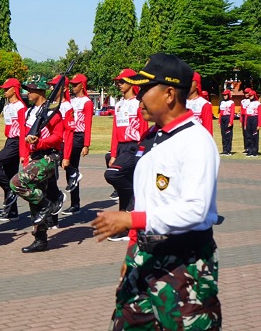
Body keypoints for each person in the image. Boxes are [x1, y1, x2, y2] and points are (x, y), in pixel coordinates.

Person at [91, 52, 221, 331]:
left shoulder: (196, 142)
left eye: (146, 89)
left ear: (170, 94)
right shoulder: (151, 138)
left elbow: (196, 209)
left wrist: (129, 220)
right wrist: (131, 253)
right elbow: (144, 201)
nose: (139, 97)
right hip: (145, 255)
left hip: (185, 264)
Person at [11, 75, 64, 253]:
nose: (27, 93)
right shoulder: (29, 112)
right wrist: (25, 156)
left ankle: (48, 205)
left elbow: (58, 137)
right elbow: (25, 138)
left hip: (48, 157)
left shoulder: (53, 112)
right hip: (34, 157)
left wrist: (40, 142)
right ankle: (40, 239)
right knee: (36, 196)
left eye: (31, 89)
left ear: (40, 91)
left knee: (17, 183)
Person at [104, 68, 148, 242]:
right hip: (121, 148)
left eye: (122, 81)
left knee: (112, 174)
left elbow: (144, 128)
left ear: (132, 82)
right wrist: (113, 152)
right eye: (118, 82)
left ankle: (134, 197)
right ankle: (124, 229)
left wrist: (142, 151)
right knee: (123, 190)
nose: (119, 85)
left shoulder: (139, 103)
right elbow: (115, 130)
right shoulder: (120, 104)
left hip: (134, 147)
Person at [0, 78, 27, 222]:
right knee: (9, 173)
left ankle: (11, 190)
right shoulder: (6, 107)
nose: (4, 91)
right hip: (9, 141)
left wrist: (24, 152)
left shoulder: (20, 107)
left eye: (7, 88)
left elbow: (24, 130)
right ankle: (12, 212)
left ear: (14, 89)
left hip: (17, 141)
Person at [44, 74, 74, 229]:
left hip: (59, 148)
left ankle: (53, 219)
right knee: (47, 183)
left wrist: (67, 156)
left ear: (64, 89)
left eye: (54, 86)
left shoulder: (67, 107)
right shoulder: (50, 105)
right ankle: (50, 218)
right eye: (50, 86)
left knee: (51, 183)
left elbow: (69, 133)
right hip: (48, 146)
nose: (51, 88)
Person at [63, 73, 93, 215]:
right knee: (70, 167)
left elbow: (88, 124)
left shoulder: (87, 102)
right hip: (69, 135)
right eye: (72, 84)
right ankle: (75, 203)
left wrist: (86, 144)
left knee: (66, 159)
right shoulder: (72, 101)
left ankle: (75, 203)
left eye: (76, 84)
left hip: (79, 136)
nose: (73, 87)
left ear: (82, 85)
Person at [244, 89, 261, 157]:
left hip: (255, 119)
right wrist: (245, 123)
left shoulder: (258, 104)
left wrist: (259, 124)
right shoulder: (248, 103)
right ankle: (250, 150)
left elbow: (260, 115)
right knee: (248, 136)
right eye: (249, 96)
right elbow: (246, 114)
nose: (250, 97)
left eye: (251, 96)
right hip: (248, 119)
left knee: (255, 136)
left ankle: (255, 151)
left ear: (254, 95)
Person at [219, 89, 235, 155]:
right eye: (223, 95)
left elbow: (232, 113)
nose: (224, 96)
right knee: (223, 135)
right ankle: (224, 149)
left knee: (228, 135)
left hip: (228, 118)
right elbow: (220, 113)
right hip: (222, 118)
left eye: (226, 95)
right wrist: (219, 121)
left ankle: (228, 150)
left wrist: (230, 122)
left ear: (228, 95)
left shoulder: (231, 102)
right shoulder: (222, 102)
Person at [240, 87, 252, 153]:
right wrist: (241, 120)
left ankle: (251, 147)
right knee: (245, 133)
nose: (246, 94)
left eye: (247, 93)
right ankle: (246, 148)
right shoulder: (243, 101)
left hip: (250, 117)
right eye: (245, 93)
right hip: (244, 117)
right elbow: (242, 111)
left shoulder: (252, 101)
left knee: (249, 133)